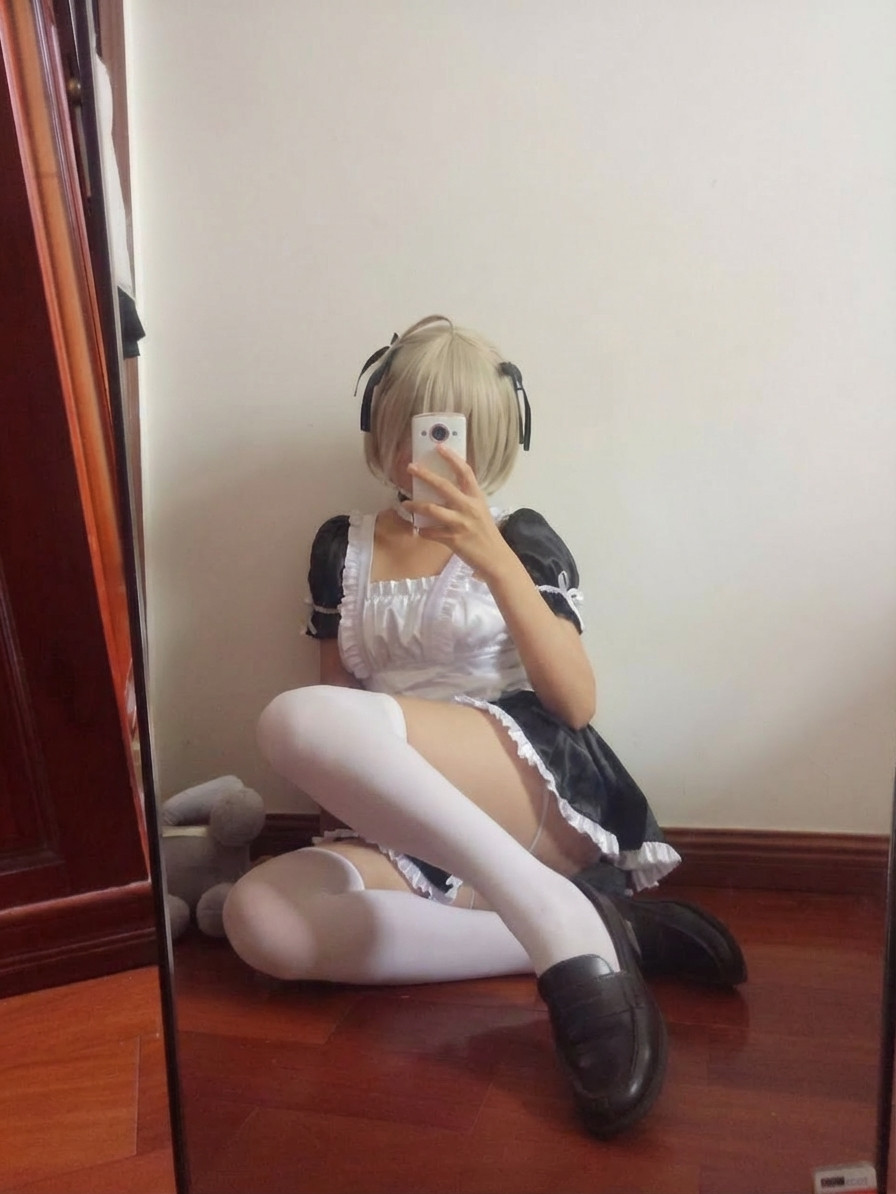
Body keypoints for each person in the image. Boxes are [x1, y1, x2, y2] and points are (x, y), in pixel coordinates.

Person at [223, 315, 746, 1138]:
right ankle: (591, 928)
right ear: (384, 427)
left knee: (293, 718)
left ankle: (559, 924)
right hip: (415, 819)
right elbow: (339, 711)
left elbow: (576, 704)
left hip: (520, 782)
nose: (429, 448)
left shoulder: (520, 539)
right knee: (261, 921)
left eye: (451, 429)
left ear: (493, 434)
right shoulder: (341, 548)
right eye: (416, 427)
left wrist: (493, 557)